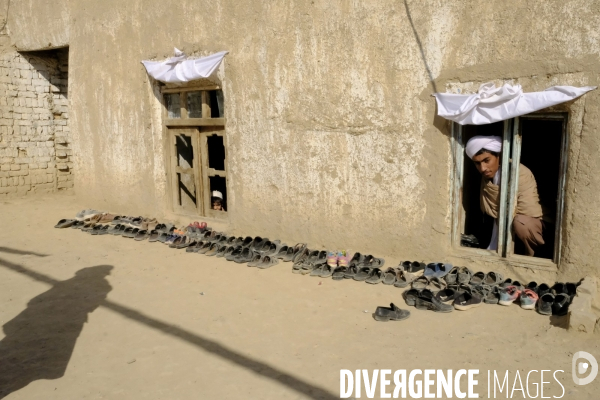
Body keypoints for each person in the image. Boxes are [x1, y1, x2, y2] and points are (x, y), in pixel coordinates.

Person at [465, 135, 549, 257]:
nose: (483, 168)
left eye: (486, 160)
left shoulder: (519, 173)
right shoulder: (487, 178)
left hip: (535, 222)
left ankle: (536, 255)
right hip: (503, 224)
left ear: (499, 156)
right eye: (477, 163)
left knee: (522, 223)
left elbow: (529, 211)